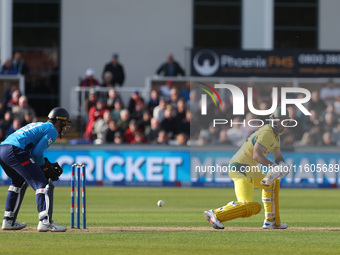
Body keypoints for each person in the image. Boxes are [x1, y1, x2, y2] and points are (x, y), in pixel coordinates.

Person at [204, 108, 290, 230]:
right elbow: (257, 155)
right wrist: (274, 167)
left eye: (284, 121)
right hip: (241, 168)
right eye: (278, 120)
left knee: (272, 184)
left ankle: (271, 221)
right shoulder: (267, 133)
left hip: (250, 170)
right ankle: (216, 213)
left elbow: (278, 155)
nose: (281, 124)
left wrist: (281, 164)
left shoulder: (276, 137)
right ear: (272, 121)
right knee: (248, 205)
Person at [0, 107, 72, 232]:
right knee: (42, 183)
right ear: (59, 122)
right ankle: (45, 222)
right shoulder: (52, 130)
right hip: (16, 150)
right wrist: (43, 166)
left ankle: (8, 220)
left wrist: (41, 164)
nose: (65, 127)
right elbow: (37, 153)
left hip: (2, 149)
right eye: (64, 123)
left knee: (18, 181)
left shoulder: (39, 124)